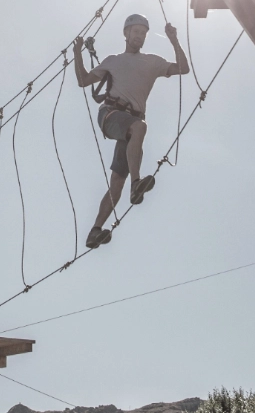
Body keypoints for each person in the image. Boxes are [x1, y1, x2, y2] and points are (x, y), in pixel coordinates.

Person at [73, 14, 189, 249]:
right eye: (135, 31)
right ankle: (137, 184)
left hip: (130, 123)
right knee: (140, 127)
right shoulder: (113, 60)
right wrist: (77, 53)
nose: (140, 36)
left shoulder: (152, 62)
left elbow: (183, 69)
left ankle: (94, 231)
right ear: (126, 34)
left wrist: (174, 41)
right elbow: (83, 80)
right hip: (111, 115)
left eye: (144, 33)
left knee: (117, 180)